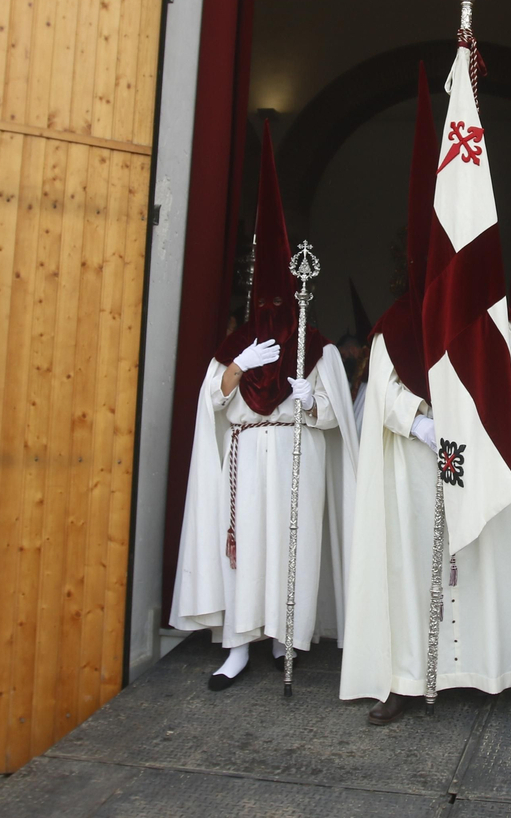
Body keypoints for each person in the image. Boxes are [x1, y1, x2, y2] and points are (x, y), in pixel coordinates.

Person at [341, 59, 511, 725]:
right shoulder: (393, 324)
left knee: (476, 555)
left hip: (467, 451)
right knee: (418, 564)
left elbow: (509, 386)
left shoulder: (485, 323)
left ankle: (487, 665)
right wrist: (421, 423)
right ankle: (409, 676)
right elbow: (382, 391)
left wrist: (471, 415)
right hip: (421, 460)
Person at [170, 121, 358, 688]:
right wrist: (235, 370)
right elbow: (211, 403)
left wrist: (310, 397)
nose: (273, 308)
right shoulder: (237, 346)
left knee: (291, 546)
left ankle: (284, 640)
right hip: (247, 459)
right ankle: (239, 645)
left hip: (296, 455)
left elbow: (335, 418)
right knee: (245, 548)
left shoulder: (316, 346)